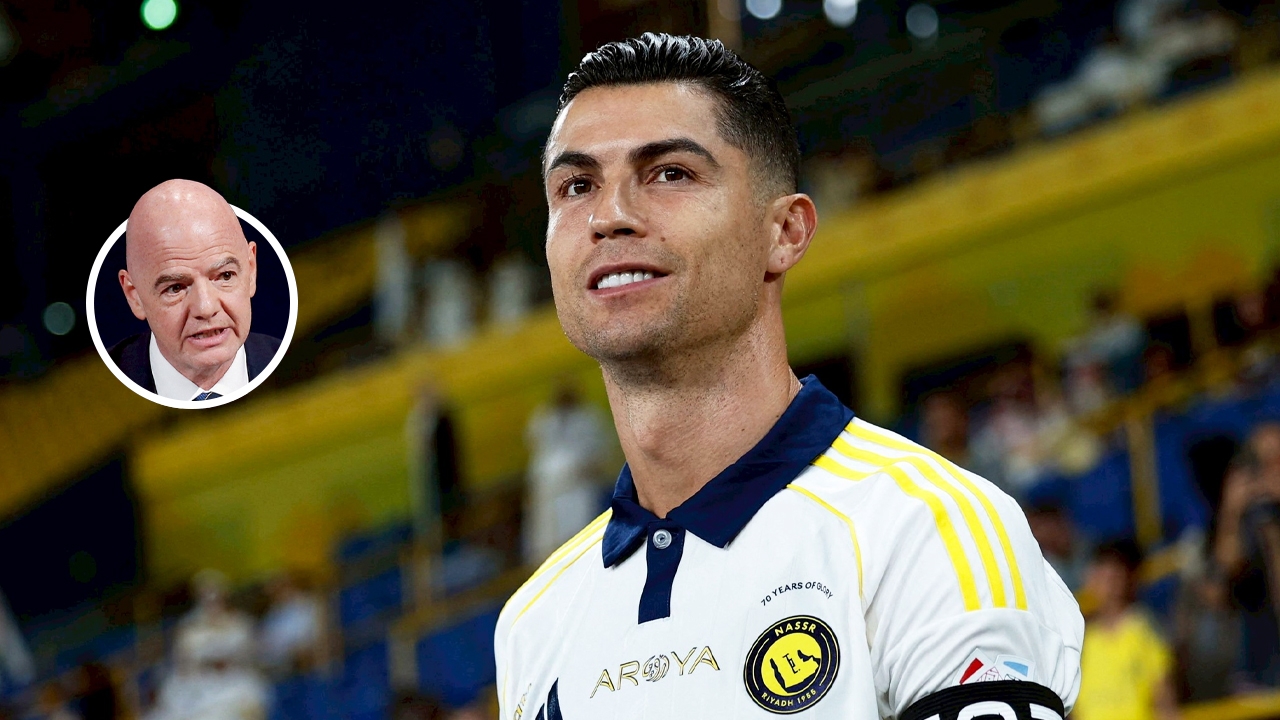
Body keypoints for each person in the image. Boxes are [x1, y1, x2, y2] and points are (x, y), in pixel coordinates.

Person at [494, 34, 1082, 720]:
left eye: (670, 174)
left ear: (785, 233)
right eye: (576, 186)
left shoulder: (928, 529)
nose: (609, 216)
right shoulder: (534, 622)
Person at [110, 179, 281, 402]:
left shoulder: (290, 361)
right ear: (134, 296)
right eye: (175, 288)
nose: (206, 308)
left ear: (250, 270)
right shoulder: (107, 385)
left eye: (225, 276)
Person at [1073, 541, 1179, 720]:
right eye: (1101, 576)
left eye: (1113, 577)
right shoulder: (1086, 638)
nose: (1107, 584)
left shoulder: (1143, 629)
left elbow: (1163, 696)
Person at [523, 380, 611, 564]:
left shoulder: (589, 417)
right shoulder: (544, 418)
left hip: (579, 484)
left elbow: (600, 451)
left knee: (579, 531)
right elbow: (535, 448)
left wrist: (590, 469)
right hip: (548, 487)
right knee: (547, 534)